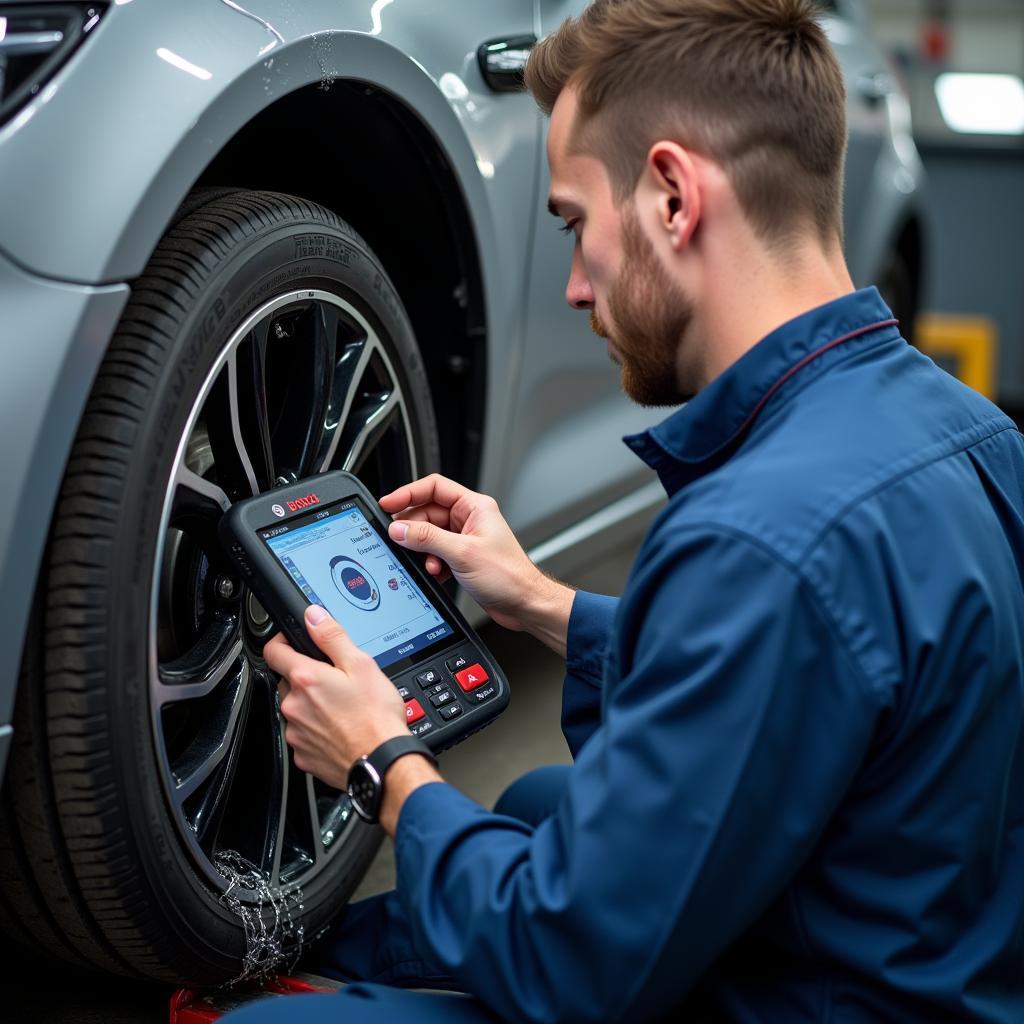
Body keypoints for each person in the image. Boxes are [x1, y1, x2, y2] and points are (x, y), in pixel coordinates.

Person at [224, 1, 1024, 1020]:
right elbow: (825, 661)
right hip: (934, 942)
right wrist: (542, 603)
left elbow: (565, 962)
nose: (571, 286)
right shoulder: (971, 428)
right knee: (535, 804)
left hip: (818, 996)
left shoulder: (759, 536)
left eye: (572, 223)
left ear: (672, 196)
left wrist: (386, 763)